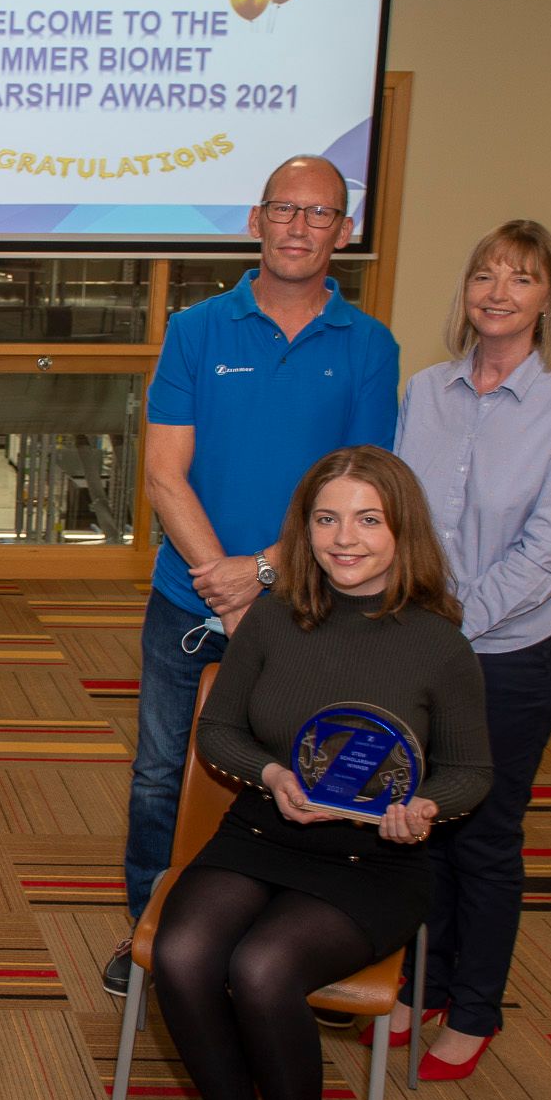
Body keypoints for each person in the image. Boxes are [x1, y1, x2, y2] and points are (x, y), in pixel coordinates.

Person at [152, 446, 491, 1100]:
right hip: (266, 828)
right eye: (328, 518)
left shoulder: (439, 643)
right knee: (183, 952)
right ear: (304, 529)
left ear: (401, 530)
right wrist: (269, 772)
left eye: (368, 520)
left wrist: (425, 810)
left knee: (263, 970)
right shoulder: (273, 617)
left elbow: (471, 772)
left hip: (372, 861)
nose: (346, 538)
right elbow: (219, 731)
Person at [111, 156, 400, 999]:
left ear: (344, 233)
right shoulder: (198, 328)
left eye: (321, 214)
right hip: (187, 603)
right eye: (286, 209)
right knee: (165, 773)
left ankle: (279, 949)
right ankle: (150, 940)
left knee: (307, 777)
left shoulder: (370, 346)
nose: (301, 227)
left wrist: (266, 572)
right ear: (255, 220)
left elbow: (361, 487)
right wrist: (221, 582)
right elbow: (166, 474)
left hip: (314, 610)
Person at [393, 221, 551, 1080]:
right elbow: (399, 512)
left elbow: (550, 548)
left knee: (483, 835)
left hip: (511, 656)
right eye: (485, 274)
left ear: (547, 298)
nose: (498, 292)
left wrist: (454, 625)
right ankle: (423, 980)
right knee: (420, 827)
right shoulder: (426, 391)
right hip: (420, 645)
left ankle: (474, 1009)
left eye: (521, 278)